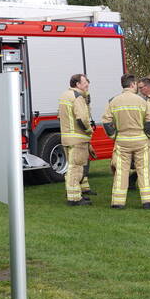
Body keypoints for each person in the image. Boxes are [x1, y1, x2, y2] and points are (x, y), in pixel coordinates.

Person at [101, 75, 150, 209]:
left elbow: (106, 122)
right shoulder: (142, 101)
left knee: (121, 171)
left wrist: (114, 135)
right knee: (144, 170)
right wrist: (148, 135)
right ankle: (148, 202)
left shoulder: (113, 101)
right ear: (132, 84)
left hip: (122, 141)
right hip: (140, 140)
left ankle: (118, 202)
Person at [58, 73, 93, 205]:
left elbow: (60, 116)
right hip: (77, 140)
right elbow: (82, 119)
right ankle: (74, 198)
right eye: (85, 82)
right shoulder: (78, 97)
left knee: (71, 168)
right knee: (76, 169)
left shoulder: (64, 95)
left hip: (67, 138)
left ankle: (74, 194)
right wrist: (89, 130)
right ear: (77, 84)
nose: (87, 84)